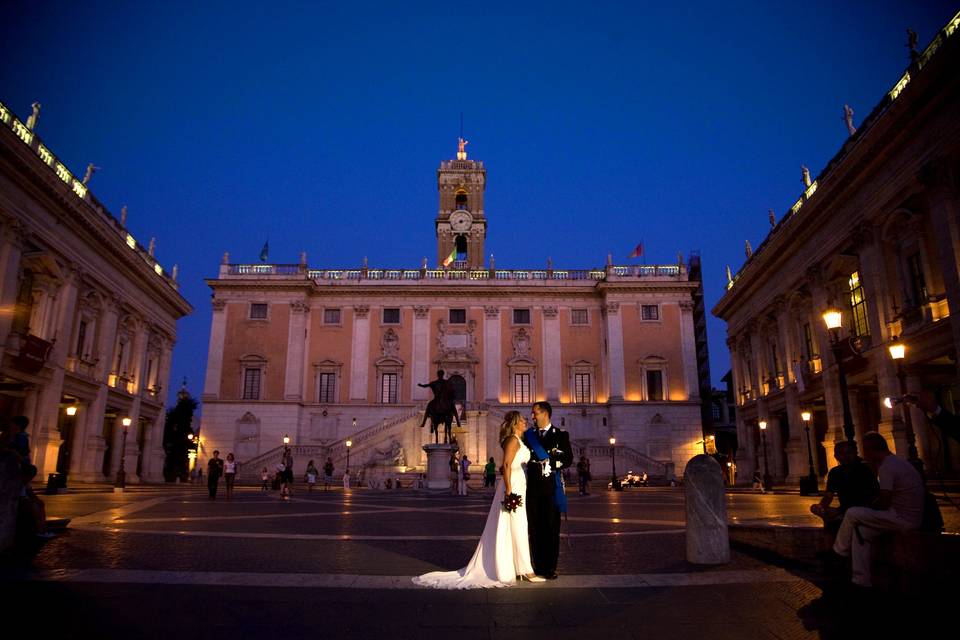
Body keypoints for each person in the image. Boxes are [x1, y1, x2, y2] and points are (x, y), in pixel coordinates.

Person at [413, 410, 543, 588]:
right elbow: (505, 465)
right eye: (522, 420)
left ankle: (513, 566)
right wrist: (509, 490)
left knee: (515, 525)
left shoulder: (519, 439)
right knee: (517, 525)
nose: (525, 422)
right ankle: (526, 570)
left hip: (519, 483)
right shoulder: (513, 440)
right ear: (514, 423)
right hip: (513, 485)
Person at [832, 432, 924, 588]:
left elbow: (885, 503)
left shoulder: (886, 467)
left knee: (852, 513)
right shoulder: (897, 462)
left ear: (870, 449)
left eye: (864, 450)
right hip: (908, 515)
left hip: (901, 518)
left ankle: (838, 553)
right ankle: (860, 580)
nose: (863, 454)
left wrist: (869, 509)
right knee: (861, 532)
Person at [523, 401, 573, 580]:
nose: (532, 416)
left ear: (545, 413)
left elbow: (567, 460)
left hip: (552, 488)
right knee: (535, 528)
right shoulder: (527, 436)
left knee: (551, 528)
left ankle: (551, 567)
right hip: (533, 489)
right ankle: (538, 565)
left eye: (535, 413)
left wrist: (550, 463)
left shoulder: (560, 435)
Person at [810, 441, 878, 543]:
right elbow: (829, 496)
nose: (845, 456)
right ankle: (829, 549)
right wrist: (821, 507)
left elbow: (867, 497)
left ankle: (835, 551)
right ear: (836, 456)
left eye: (848, 453)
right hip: (845, 509)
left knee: (835, 521)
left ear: (855, 453)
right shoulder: (835, 472)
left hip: (863, 509)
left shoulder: (864, 469)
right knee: (826, 515)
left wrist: (839, 511)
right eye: (841, 453)